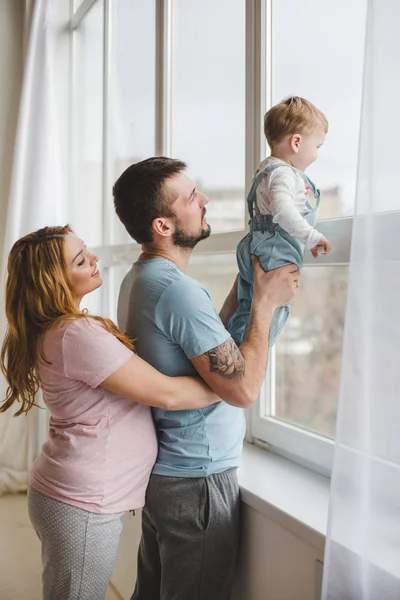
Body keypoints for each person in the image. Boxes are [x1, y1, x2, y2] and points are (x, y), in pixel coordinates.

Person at [113, 157, 300, 600]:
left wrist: (243, 290)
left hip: (170, 477)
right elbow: (243, 389)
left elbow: (199, 353)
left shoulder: (140, 279)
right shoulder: (176, 290)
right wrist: (265, 305)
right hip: (197, 482)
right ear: (163, 224)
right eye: (191, 197)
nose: (205, 200)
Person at [0, 224, 220, 600]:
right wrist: (231, 386)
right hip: (80, 504)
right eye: (81, 259)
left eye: (87, 251)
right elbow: (166, 394)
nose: (95, 259)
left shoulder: (60, 330)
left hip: (72, 495)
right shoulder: (75, 334)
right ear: (55, 280)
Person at [229, 96, 332, 347]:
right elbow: (283, 212)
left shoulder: (268, 168)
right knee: (271, 313)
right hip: (274, 249)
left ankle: (230, 352)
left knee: (247, 307)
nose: (318, 154)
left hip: (255, 244)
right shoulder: (285, 174)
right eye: (318, 146)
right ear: (296, 142)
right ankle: (243, 364)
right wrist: (312, 237)